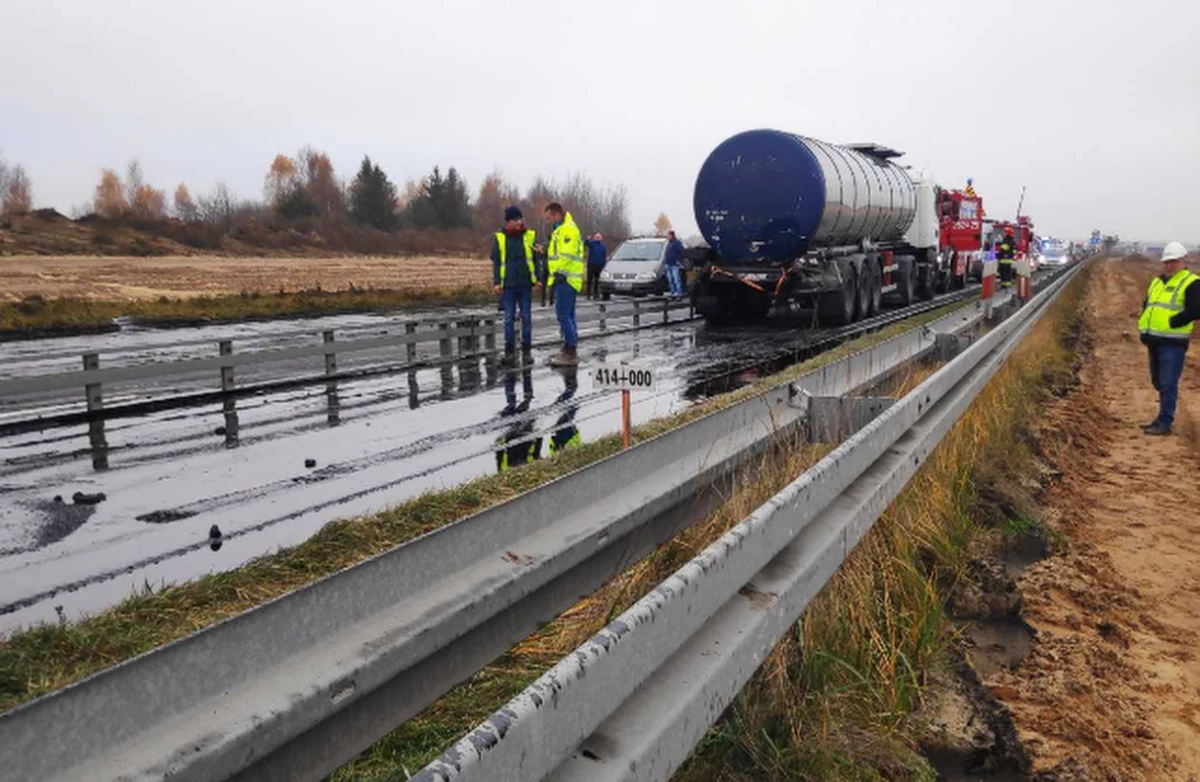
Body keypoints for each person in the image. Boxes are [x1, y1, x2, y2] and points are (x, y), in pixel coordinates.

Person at [1138, 241, 1200, 436]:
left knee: (1168, 382)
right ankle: (1161, 418)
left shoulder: (1191, 282)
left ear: (1183, 261)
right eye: (1167, 262)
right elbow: (1148, 307)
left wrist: (1173, 322)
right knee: (1157, 381)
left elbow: (1196, 310)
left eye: (1174, 261)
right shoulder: (1157, 282)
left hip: (1173, 343)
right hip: (1154, 340)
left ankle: (1165, 421)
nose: (1170, 265)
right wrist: (1144, 330)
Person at [491, 205, 542, 366]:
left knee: (526, 318)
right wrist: (497, 282)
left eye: (521, 219)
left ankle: (526, 353)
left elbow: (535, 259)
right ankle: (509, 352)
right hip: (509, 286)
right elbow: (497, 262)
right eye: (516, 220)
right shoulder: (500, 238)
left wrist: (538, 278)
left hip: (525, 284)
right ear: (509, 221)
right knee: (508, 319)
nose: (520, 222)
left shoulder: (529, 236)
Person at [544, 202, 585, 366]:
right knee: (569, 315)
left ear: (556, 215)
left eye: (549, 218)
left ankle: (570, 350)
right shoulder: (562, 230)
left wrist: (559, 272)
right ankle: (570, 346)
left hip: (566, 279)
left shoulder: (567, 229)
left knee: (563, 315)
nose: (548, 221)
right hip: (567, 278)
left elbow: (566, 254)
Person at [584, 233, 607, 299]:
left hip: (599, 266)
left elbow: (604, 256)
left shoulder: (603, 246)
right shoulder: (592, 244)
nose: (597, 238)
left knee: (597, 280)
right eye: (596, 237)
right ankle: (588, 294)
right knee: (589, 280)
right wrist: (587, 240)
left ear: (601, 238)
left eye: (599, 237)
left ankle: (595, 293)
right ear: (594, 238)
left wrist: (604, 265)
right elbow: (585, 244)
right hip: (591, 265)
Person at [664, 230, 685, 297]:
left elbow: (682, 252)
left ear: (671, 235)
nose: (667, 237)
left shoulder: (677, 243)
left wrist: (679, 260)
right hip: (668, 264)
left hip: (675, 264)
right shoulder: (668, 243)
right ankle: (673, 292)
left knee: (676, 279)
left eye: (668, 235)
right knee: (670, 280)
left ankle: (679, 293)